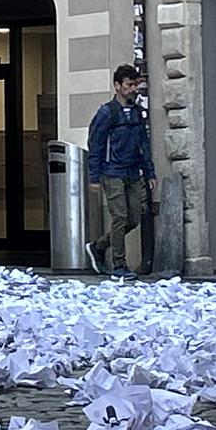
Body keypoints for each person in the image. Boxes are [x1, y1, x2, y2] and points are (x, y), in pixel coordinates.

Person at [85, 64, 157, 280]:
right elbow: (95, 143)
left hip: (133, 171)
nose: (133, 89)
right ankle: (119, 265)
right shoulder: (107, 113)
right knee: (120, 217)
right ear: (117, 86)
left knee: (133, 218)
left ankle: (98, 246)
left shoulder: (137, 113)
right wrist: (94, 177)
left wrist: (149, 171)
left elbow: (144, 143)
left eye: (135, 84)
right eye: (129, 84)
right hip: (112, 171)